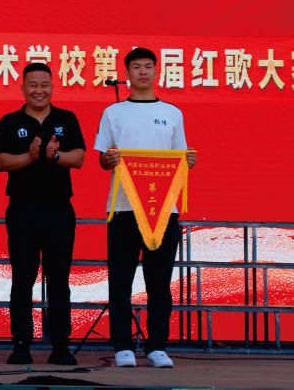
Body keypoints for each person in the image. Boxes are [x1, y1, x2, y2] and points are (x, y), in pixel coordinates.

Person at [94, 47, 197, 369]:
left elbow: (179, 158)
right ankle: (122, 345)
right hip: (123, 208)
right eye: (136, 67)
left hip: (163, 209)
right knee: (120, 280)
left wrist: (189, 161)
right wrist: (109, 159)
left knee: (159, 282)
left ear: (156, 72)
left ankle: (157, 346)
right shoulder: (114, 112)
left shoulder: (172, 112)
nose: (142, 72)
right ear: (127, 73)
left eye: (148, 66)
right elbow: (102, 158)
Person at [0, 62, 85, 366]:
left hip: (59, 210)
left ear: (52, 87)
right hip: (23, 209)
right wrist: (30, 157)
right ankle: (21, 344)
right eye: (33, 85)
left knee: (59, 279)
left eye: (44, 85)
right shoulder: (10, 121)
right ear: (22, 88)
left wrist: (54, 156)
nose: (39, 91)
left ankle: (61, 346)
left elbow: (79, 157)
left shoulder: (66, 119)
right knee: (22, 278)